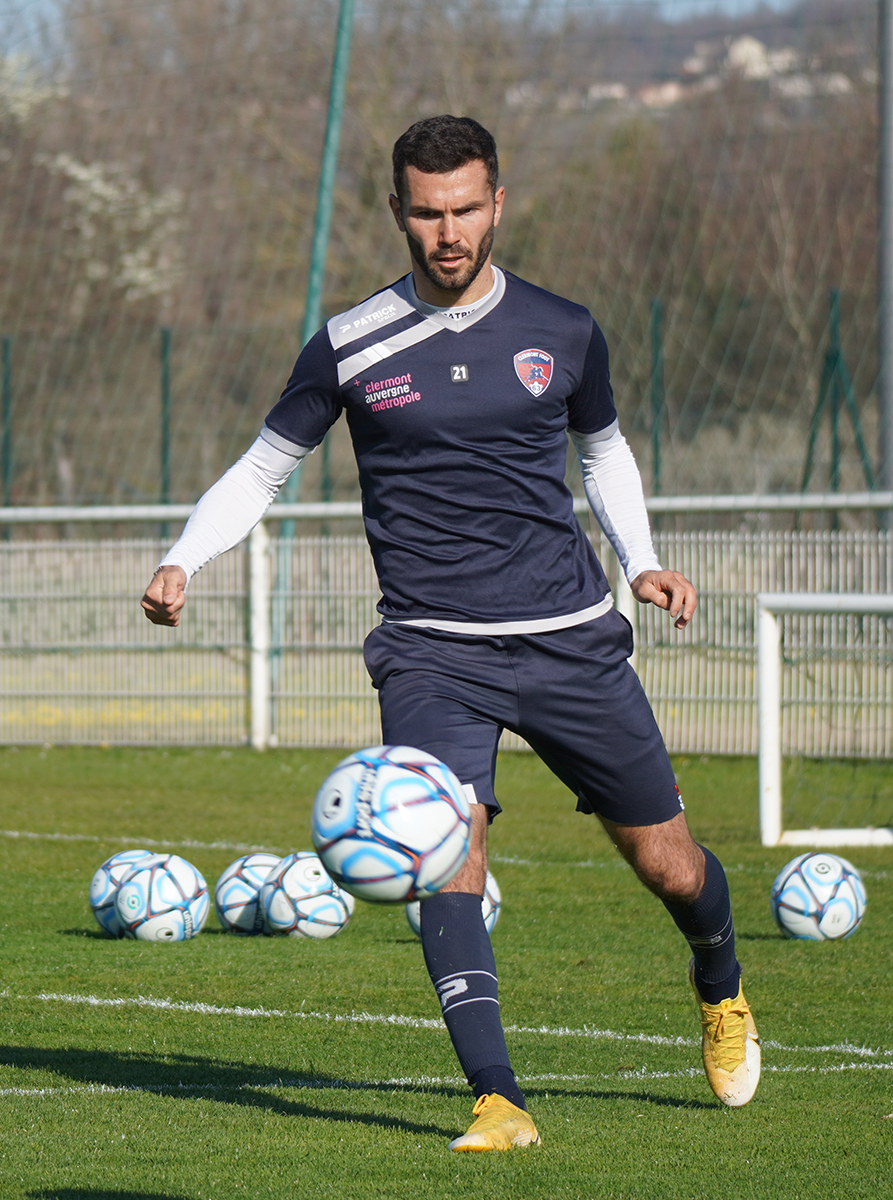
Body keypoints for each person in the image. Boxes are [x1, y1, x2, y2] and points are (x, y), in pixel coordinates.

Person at [141, 114, 759, 1151]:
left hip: (570, 637)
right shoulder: (348, 343)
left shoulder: (563, 329)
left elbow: (603, 454)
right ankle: (497, 1098)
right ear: (397, 213)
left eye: (466, 207)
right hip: (432, 650)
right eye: (426, 212)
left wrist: (642, 559)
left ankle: (721, 985)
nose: (447, 230)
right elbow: (261, 468)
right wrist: (182, 556)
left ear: (498, 203)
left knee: (670, 868)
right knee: (445, 853)